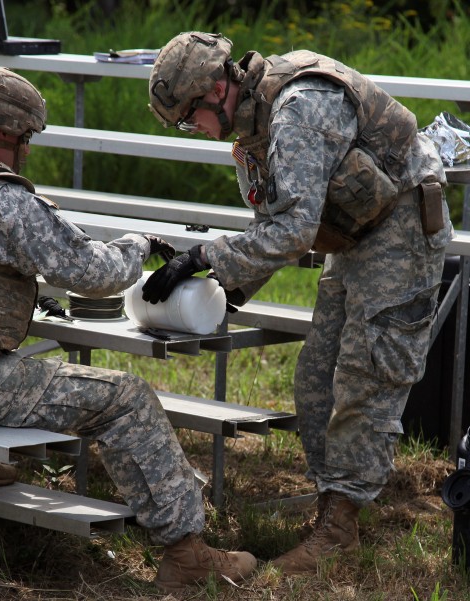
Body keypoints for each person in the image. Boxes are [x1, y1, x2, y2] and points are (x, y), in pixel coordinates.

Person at [0, 65, 257, 592]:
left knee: (6, 363)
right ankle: (187, 553)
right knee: (126, 398)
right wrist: (138, 245)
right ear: (7, 132)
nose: (27, 147)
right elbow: (94, 274)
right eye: (25, 137)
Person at [144, 32, 453, 575]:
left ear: (219, 89)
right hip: (351, 233)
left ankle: (339, 534)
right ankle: (334, 507)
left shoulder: (300, 109)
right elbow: (272, 222)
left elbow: (292, 231)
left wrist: (203, 256)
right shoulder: (250, 129)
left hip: (400, 226)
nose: (197, 132)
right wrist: (223, 293)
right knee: (315, 379)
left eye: (192, 119)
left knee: (365, 374)